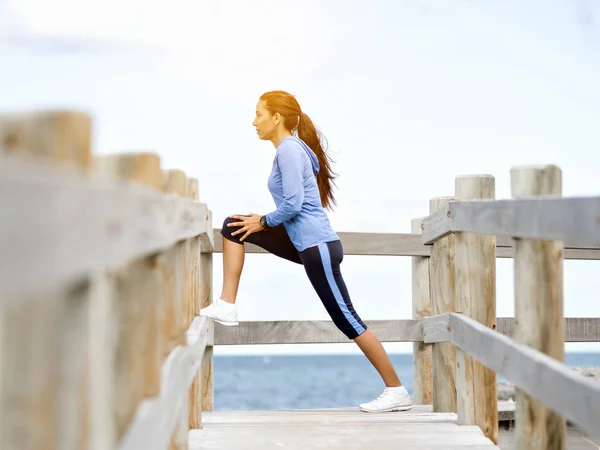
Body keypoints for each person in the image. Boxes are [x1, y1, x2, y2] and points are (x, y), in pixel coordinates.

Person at [200, 90, 412, 413]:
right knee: (233, 226)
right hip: (305, 245)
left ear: (276, 117)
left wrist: (264, 221)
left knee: (348, 320)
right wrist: (259, 224)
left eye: (258, 114)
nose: (253, 121)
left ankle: (396, 390)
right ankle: (227, 304)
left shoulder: (288, 150)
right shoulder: (289, 151)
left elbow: (294, 204)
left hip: (319, 248)